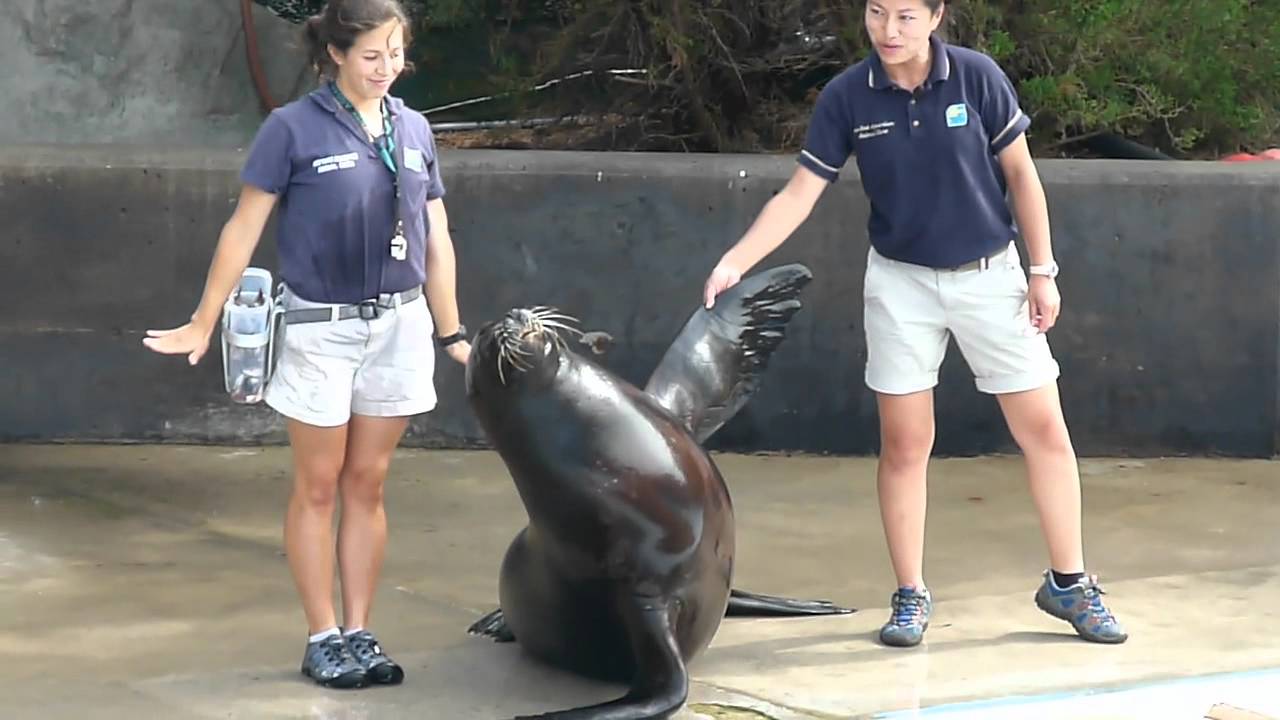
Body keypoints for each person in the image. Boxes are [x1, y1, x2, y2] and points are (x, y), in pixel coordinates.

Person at [701, 0, 1127, 648]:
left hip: (991, 276)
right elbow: (800, 192)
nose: (889, 30)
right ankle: (909, 594)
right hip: (900, 283)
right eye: (877, 13)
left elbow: (1022, 175)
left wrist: (1043, 269)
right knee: (905, 445)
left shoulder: (977, 77)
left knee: (1044, 430)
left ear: (935, 16)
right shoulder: (848, 97)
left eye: (905, 15)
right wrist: (735, 259)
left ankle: (1069, 583)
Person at [144, 0, 471, 687]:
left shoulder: (414, 128)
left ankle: (360, 630)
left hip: (400, 325)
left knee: (369, 483)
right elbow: (243, 229)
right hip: (322, 328)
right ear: (337, 56)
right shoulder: (291, 128)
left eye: (395, 54)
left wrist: (453, 332)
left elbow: (436, 236)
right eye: (371, 55)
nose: (386, 69)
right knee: (319, 486)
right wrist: (204, 319)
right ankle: (322, 634)